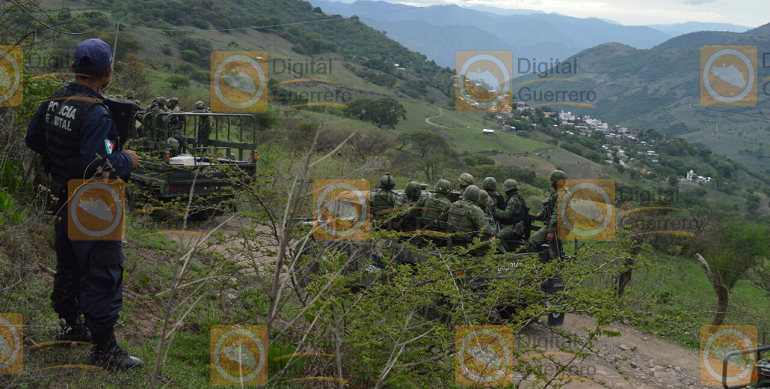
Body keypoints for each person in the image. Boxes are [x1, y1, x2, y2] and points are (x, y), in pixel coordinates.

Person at [25, 38, 142, 370]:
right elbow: (97, 166)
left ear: (75, 67)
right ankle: (105, 351)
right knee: (103, 270)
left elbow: (32, 138)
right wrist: (126, 159)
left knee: (68, 265)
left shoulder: (56, 99)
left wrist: (61, 161)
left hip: (62, 196)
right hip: (92, 205)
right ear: (107, 72)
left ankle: (71, 327)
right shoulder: (97, 113)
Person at [527, 170, 566, 259]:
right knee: (533, 242)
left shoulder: (561, 194)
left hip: (557, 227)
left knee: (554, 253)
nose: (550, 181)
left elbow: (557, 213)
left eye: (551, 179)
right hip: (553, 226)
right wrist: (541, 213)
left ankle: (554, 271)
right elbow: (550, 207)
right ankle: (534, 266)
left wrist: (551, 231)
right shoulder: (556, 193)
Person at [495, 179, 530, 243]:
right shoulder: (519, 198)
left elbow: (506, 215)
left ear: (507, 190)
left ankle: (505, 252)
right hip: (518, 228)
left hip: (514, 229)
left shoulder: (513, 200)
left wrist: (496, 211)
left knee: (497, 238)